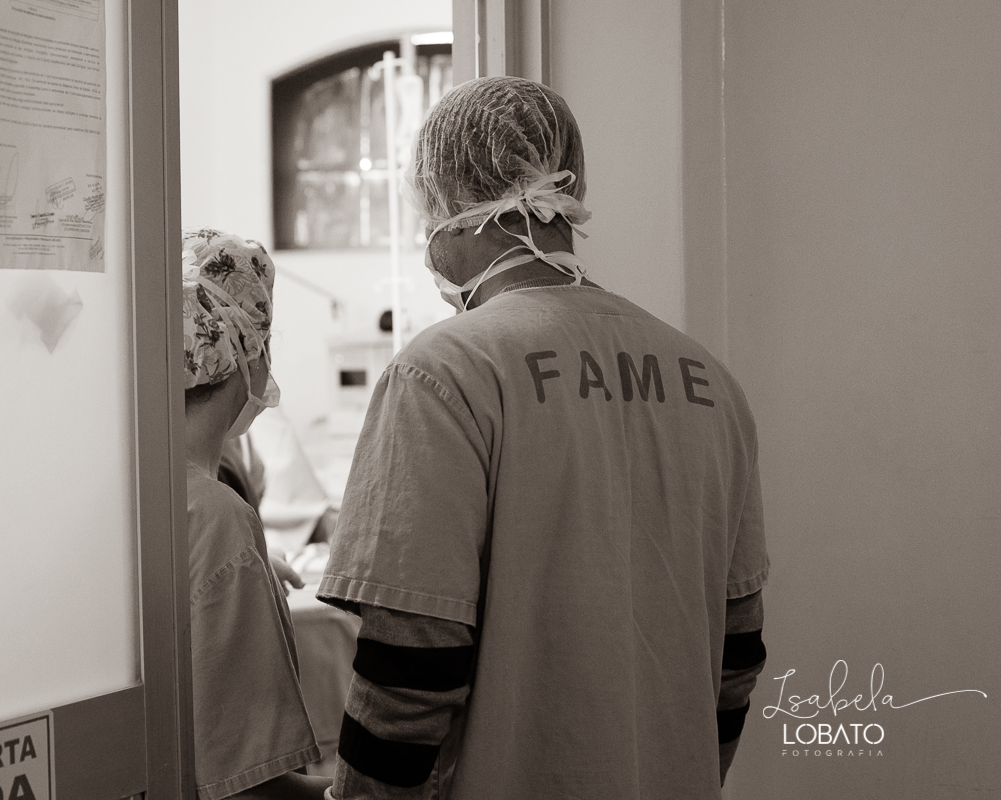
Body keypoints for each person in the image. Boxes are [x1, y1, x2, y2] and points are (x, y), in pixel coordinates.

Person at [316, 77, 769, 799]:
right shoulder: (709, 381)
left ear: (455, 207)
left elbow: (411, 670)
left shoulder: (442, 374)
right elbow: (737, 651)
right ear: (566, 188)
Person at [181, 229, 333, 800]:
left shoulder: (144, 494)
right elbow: (253, 790)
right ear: (250, 352)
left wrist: (253, 569)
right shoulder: (217, 518)